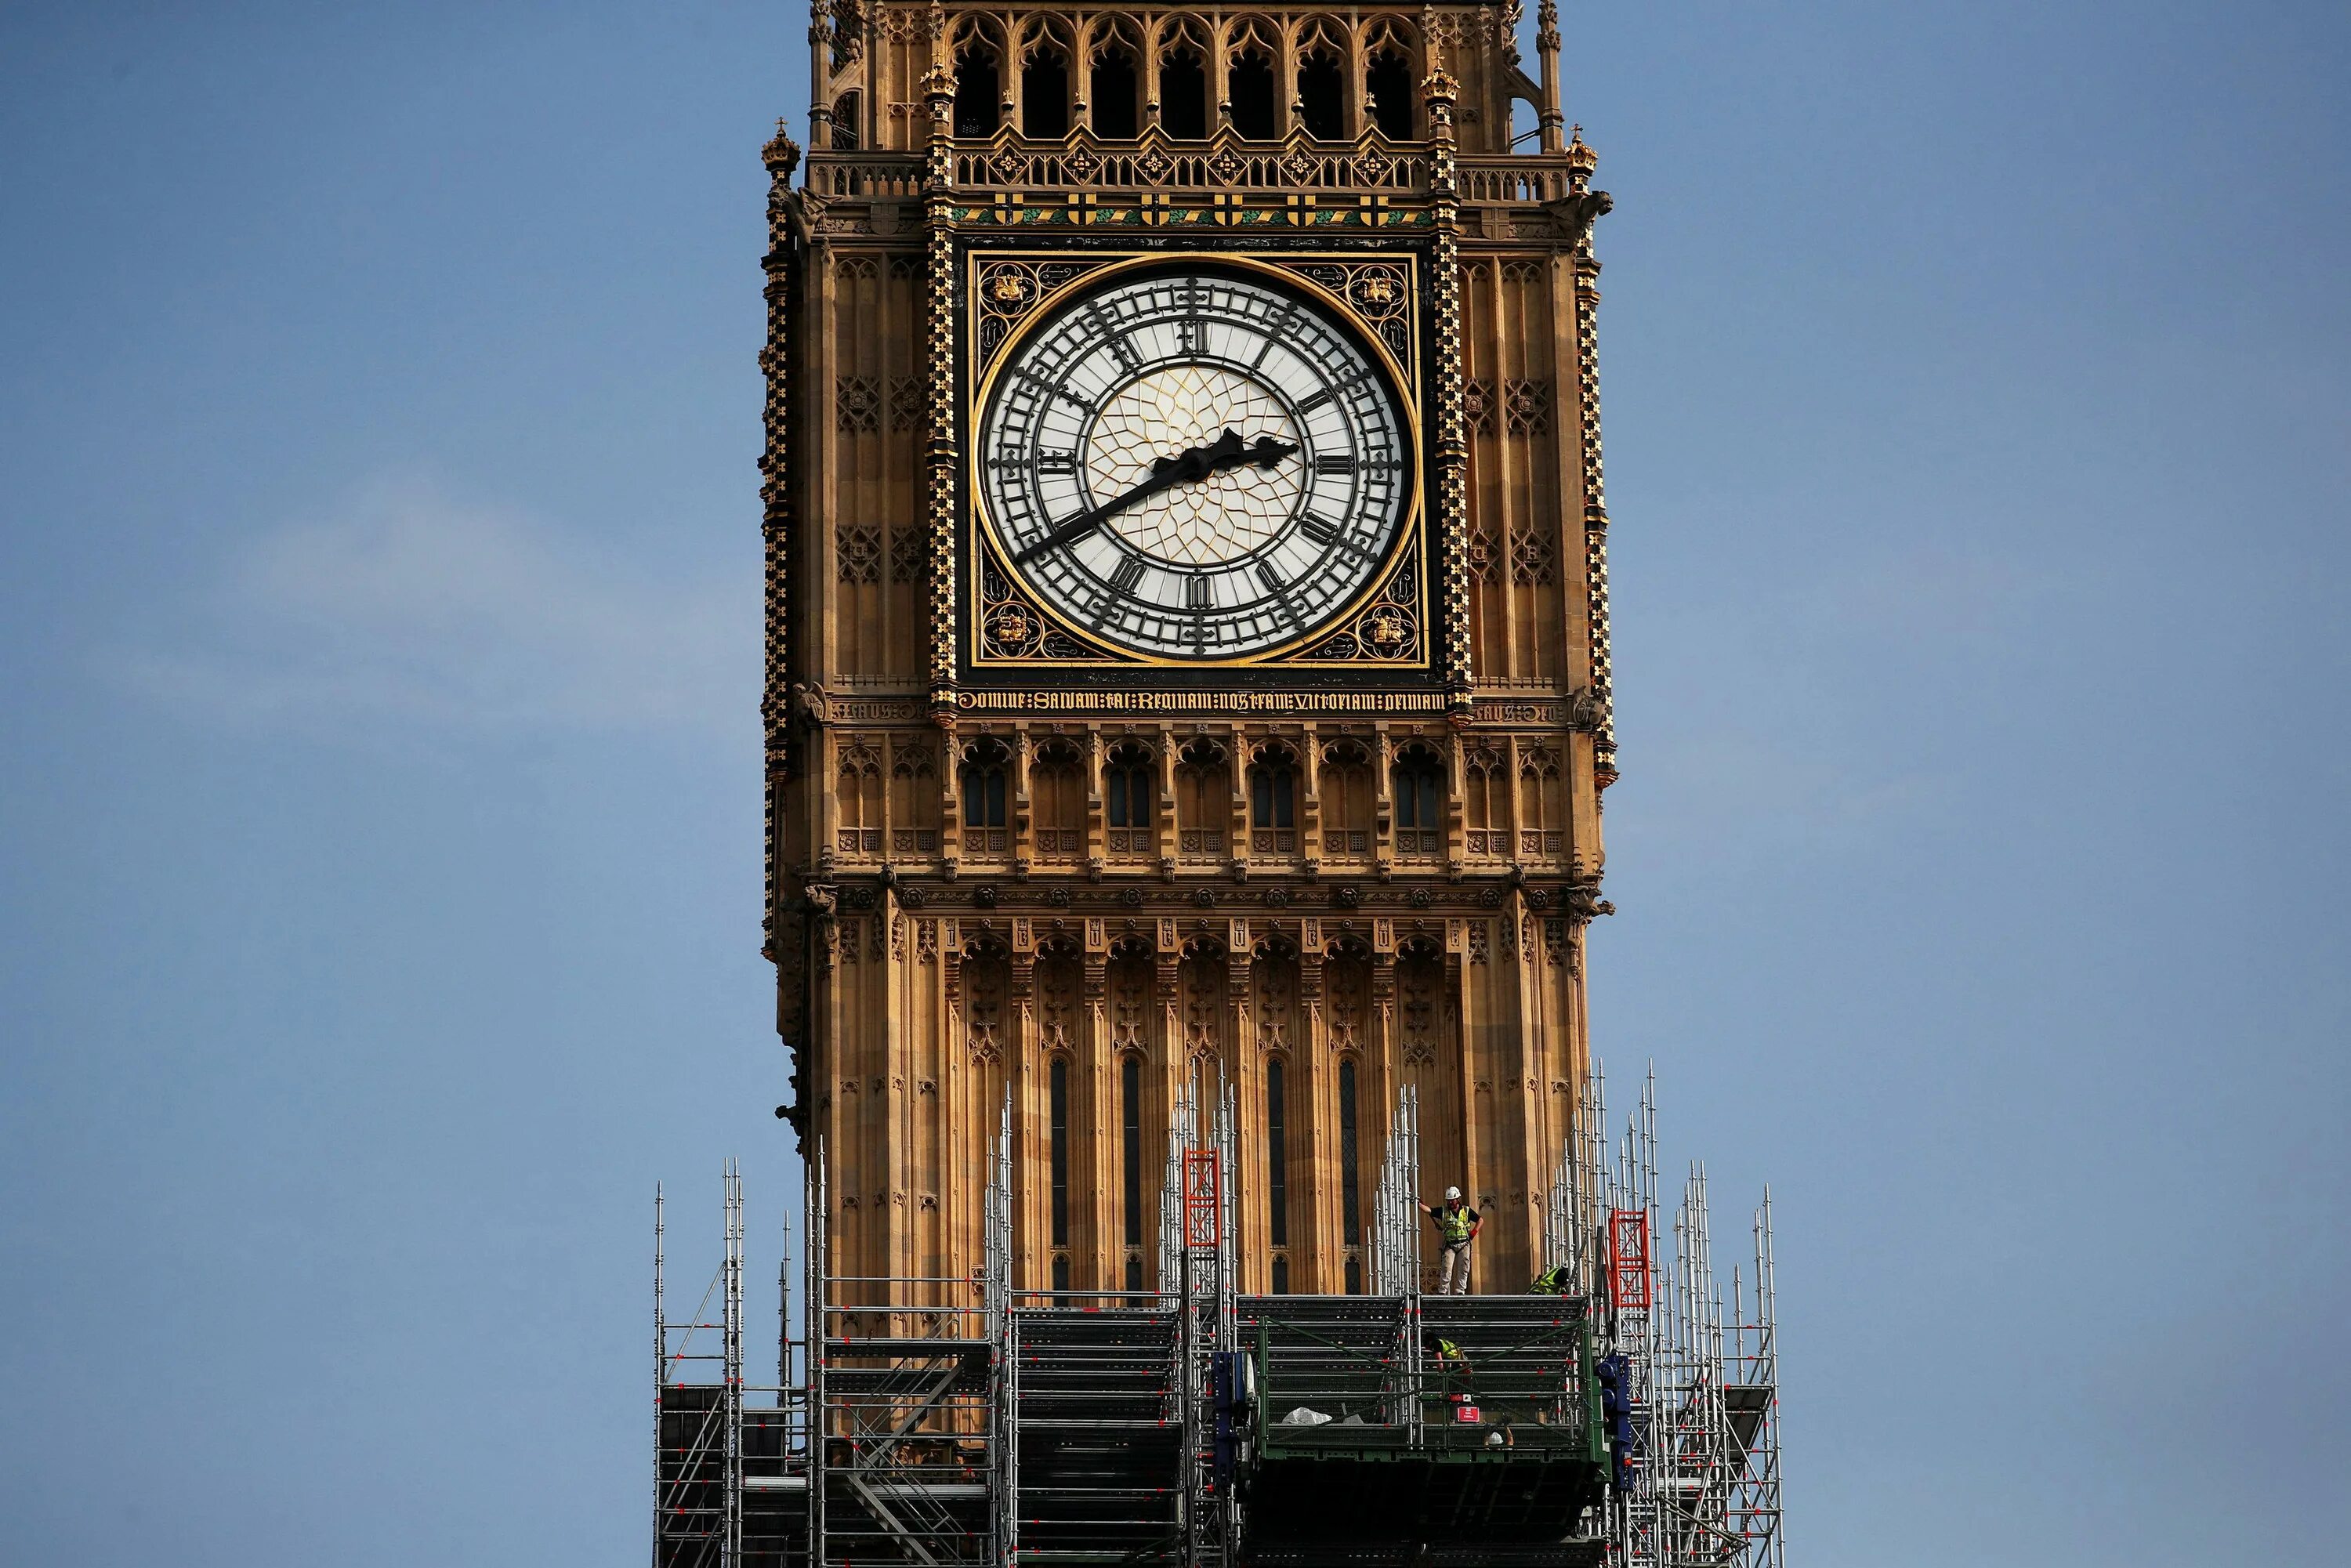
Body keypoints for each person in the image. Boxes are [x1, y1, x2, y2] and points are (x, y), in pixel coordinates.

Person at [1419, 1186, 1480, 1295]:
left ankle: (1460, 1290)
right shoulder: (1444, 1211)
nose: (1450, 1203)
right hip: (1450, 1244)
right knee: (1446, 1267)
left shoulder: (1466, 1211)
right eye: (1448, 1201)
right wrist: (1417, 1203)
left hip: (1464, 1243)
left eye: (1452, 1200)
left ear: (1457, 1199)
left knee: (1464, 1267)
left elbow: (1480, 1220)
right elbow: (1429, 1210)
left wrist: (1474, 1231)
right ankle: (1443, 1290)